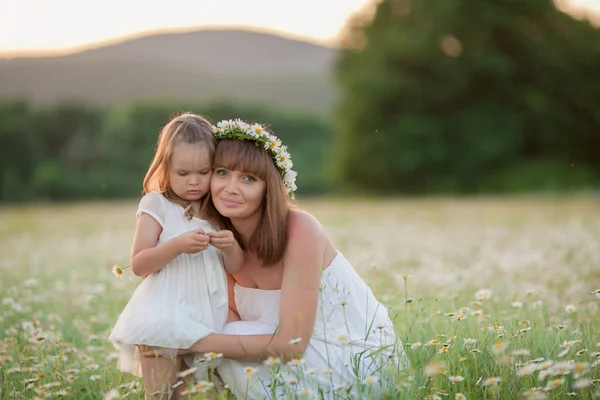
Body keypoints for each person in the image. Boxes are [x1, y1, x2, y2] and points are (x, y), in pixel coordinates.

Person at [163, 118, 408, 399]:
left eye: (248, 178)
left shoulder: (300, 229)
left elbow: (291, 345)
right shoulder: (218, 238)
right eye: (221, 172)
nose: (230, 188)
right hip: (279, 357)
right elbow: (219, 317)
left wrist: (189, 342)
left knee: (219, 342)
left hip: (347, 360)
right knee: (180, 327)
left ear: (270, 188)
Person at [109, 113, 244, 399]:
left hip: (206, 315)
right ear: (165, 168)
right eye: (183, 173)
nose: (194, 182)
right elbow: (139, 264)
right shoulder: (157, 204)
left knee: (191, 393)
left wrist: (231, 247)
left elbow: (236, 268)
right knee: (161, 394)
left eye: (204, 172)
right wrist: (176, 246)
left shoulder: (217, 209)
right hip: (164, 312)